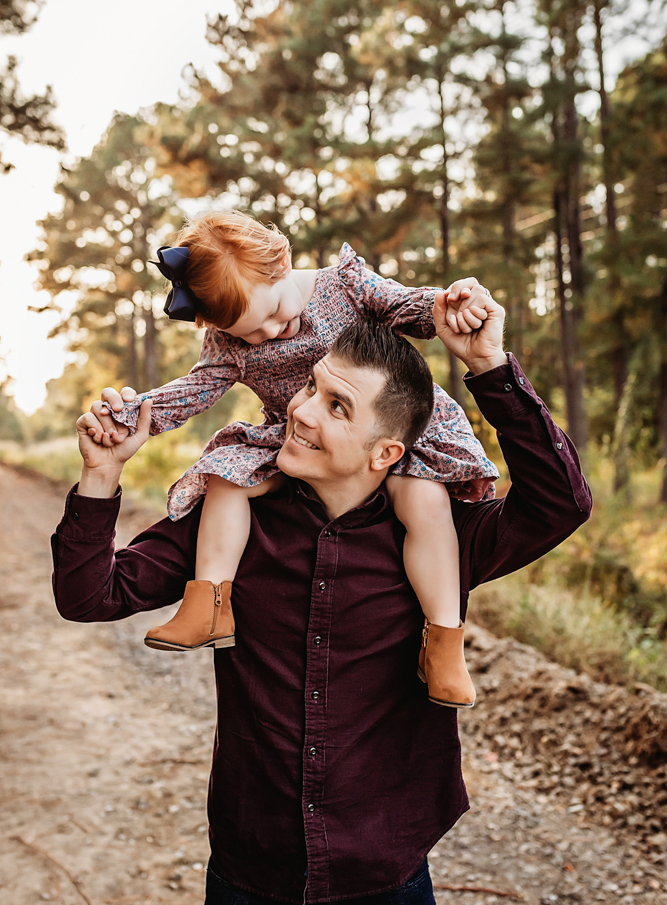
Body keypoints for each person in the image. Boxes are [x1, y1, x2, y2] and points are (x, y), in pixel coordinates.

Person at [52, 290, 591, 905]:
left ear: (386, 452)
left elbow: (560, 503)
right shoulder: (229, 518)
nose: (302, 411)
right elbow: (90, 596)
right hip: (248, 866)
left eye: (338, 407)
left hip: (383, 869)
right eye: (311, 388)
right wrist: (101, 476)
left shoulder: (441, 541)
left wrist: (490, 369)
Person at [91, 209, 498, 708]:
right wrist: (132, 415)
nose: (271, 333)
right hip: (294, 434)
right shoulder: (227, 341)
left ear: (281, 263)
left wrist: (451, 305)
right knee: (225, 476)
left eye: (276, 313)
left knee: (425, 504)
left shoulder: (343, 285)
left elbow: (407, 307)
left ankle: (444, 643)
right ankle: (210, 602)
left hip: (388, 429)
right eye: (251, 333)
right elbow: (193, 390)